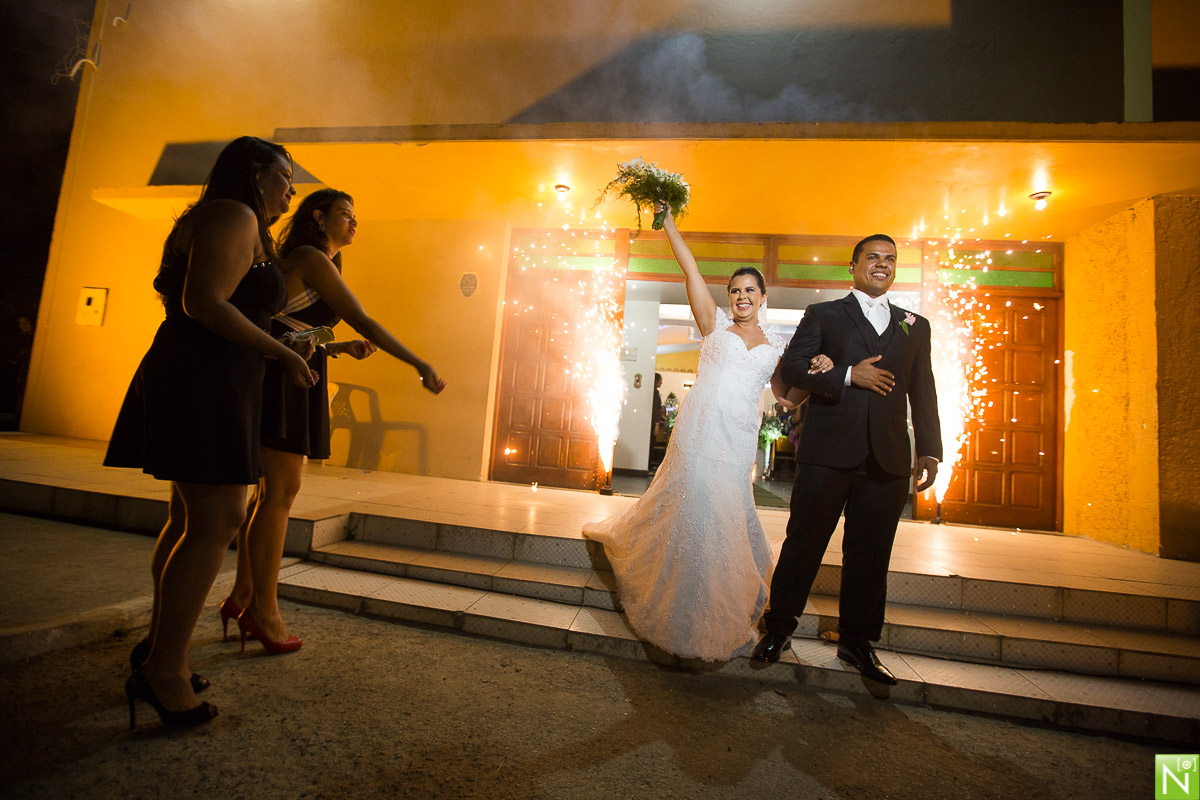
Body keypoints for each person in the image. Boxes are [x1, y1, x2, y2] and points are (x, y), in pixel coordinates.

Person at [104, 136, 316, 727]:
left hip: (209, 374)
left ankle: (158, 652)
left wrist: (293, 339)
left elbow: (234, 305)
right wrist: (281, 352)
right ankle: (163, 674)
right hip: (206, 377)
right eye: (284, 175)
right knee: (221, 519)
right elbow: (205, 302)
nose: (291, 189)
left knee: (189, 520)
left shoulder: (229, 217)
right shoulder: (233, 212)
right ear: (253, 172)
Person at [584, 203, 830, 662]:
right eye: (735, 290)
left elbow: (787, 397)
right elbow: (689, 265)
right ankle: (680, 598)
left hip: (737, 440)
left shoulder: (778, 346)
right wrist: (668, 221)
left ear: (763, 297)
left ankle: (717, 596)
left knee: (724, 508)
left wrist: (820, 368)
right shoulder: (712, 323)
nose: (741, 296)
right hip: (698, 433)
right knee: (693, 502)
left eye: (749, 290)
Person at [221, 188, 446, 653]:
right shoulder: (310, 256)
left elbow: (294, 323)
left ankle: (242, 597)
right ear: (319, 218)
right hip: (276, 373)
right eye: (346, 214)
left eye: (356, 215)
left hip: (289, 369)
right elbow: (361, 319)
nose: (355, 221)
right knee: (280, 492)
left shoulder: (326, 262)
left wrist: (337, 348)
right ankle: (265, 610)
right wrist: (418, 362)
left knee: (272, 492)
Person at [752, 234, 942, 686]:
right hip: (828, 452)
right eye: (873, 257)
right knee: (805, 543)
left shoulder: (916, 325)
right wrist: (847, 375)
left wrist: (930, 448)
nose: (882, 264)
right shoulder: (824, 315)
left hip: (888, 458)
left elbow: (924, 390)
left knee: (871, 555)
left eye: (890, 259)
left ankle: (858, 642)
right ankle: (778, 629)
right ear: (853, 267)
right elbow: (794, 369)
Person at [647, 372, 665, 468]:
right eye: (660, 380)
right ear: (656, 381)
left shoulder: (654, 393)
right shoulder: (655, 394)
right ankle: (648, 466)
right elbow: (655, 410)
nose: (661, 383)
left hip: (653, 422)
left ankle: (649, 465)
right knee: (651, 444)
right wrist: (657, 425)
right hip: (653, 423)